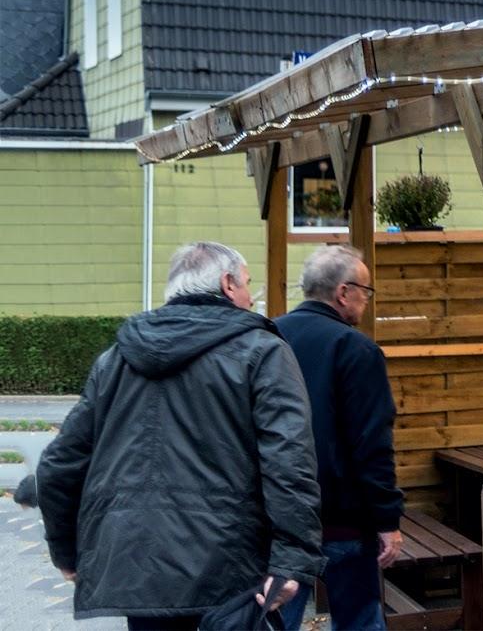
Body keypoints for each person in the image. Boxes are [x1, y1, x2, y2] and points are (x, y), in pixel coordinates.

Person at [36, 242, 324, 631]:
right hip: (232, 569)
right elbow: (288, 462)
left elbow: (58, 465)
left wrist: (67, 552)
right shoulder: (263, 352)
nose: (250, 297)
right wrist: (291, 562)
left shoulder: (115, 359)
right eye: (247, 284)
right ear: (227, 284)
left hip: (137, 567)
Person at [276, 245, 404, 631]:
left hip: (279, 518)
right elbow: (371, 444)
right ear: (344, 292)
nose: (367, 300)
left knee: (274, 620)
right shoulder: (356, 349)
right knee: (358, 622)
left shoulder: (267, 338)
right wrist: (387, 520)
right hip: (343, 519)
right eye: (366, 290)